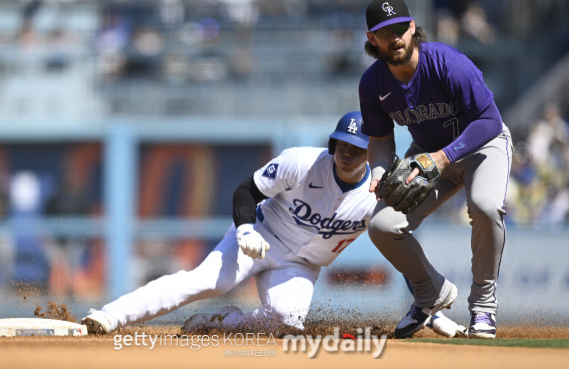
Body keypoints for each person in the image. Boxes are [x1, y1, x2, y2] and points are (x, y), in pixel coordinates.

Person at [81, 111, 464, 336]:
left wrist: (432, 311)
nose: (347, 153)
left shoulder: (376, 194)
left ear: (370, 152)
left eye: (357, 148)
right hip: (260, 236)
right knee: (208, 280)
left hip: (301, 265)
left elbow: (399, 250)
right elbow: (246, 191)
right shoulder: (302, 161)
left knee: (287, 321)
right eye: (342, 145)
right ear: (333, 144)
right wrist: (245, 230)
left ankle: (221, 324)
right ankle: (110, 316)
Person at [358, 0, 513, 339]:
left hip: (481, 146)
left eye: (401, 27)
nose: (395, 37)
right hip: (428, 153)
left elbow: (490, 120)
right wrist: (379, 171)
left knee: (486, 207)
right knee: (383, 226)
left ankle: (483, 308)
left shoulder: (448, 63)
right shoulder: (373, 84)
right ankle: (431, 295)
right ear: (372, 39)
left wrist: (442, 158)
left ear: (412, 28)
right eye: (386, 32)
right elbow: (381, 138)